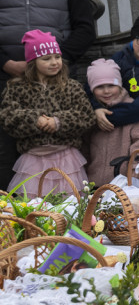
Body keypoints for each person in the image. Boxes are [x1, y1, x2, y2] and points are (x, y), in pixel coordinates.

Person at [0, 0, 96, 187]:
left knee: (66, 157)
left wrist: (51, 62)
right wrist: (7, 63)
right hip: (6, 78)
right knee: (5, 156)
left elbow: (84, 28)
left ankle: (65, 222)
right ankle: (11, 223)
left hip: (57, 83)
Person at [0, 30, 95, 196]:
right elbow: (8, 116)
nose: (54, 62)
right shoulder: (18, 88)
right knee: (34, 205)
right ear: (32, 62)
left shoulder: (71, 86)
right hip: (33, 159)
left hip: (67, 157)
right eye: (46, 59)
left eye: (57, 57)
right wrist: (35, 120)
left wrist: (58, 122)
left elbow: (86, 116)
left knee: (70, 204)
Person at [85, 58, 139, 187]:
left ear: (119, 85)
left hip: (125, 180)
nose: (106, 91)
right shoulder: (90, 112)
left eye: (111, 85)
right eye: (100, 87)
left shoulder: (133, 110)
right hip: (94, 179)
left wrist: (136, 166)